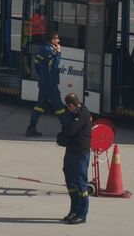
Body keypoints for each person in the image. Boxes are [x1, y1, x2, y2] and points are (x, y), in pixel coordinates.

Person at [57, 93, 92, 225]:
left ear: (71, 105)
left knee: (81, 183)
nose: (68, 110)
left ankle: (82, 214)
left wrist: (66, 128)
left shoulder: (83, 114)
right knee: (70, 180)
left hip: (80, 153)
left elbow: (70, 129)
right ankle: (74, 210)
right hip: (71, 151)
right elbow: (67, 128)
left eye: (68, 107)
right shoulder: (73, 113)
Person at [28, 33, 68, 137]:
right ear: (52, 39)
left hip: (43, 83)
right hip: (50, 84)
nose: (58, 40)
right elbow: (55, 64)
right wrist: (58, 52)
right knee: (59, 106)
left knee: (39, 106)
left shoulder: (42, 49)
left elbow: (36, 65)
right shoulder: (48, 50)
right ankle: (67, 128)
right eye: (57, 38)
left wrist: (42, 75)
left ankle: (31, 127)